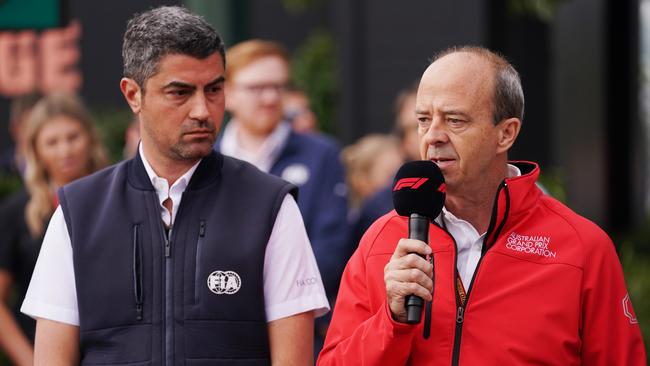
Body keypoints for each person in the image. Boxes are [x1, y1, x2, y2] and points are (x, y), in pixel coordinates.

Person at [21, 7, 328, 365]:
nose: (202, 109)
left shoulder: (270, 205)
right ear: (133, 94)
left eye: (213, 89)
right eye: (180, 93)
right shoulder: (78, 212)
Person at [318, 46, 646, 365]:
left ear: (506, 134)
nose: (433, 136)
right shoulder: (380, 240)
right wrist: (391, 321)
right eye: (423, 119)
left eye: (454, 120)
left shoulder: (581, 248)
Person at [216, 39, 349, 301]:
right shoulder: (208, 160)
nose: (271, 98)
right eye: (257, 88)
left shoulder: (321, 154)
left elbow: (331, 245)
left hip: (302, 313)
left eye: (278, 87)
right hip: (224, 316)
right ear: (227, 94)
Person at [0, 93, 108, 366]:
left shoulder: (117, 200)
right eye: (52, 142)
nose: (65, 151)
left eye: (73, 137)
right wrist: (29, 359)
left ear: (90, 138)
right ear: (35, 149)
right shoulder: (17, 212)